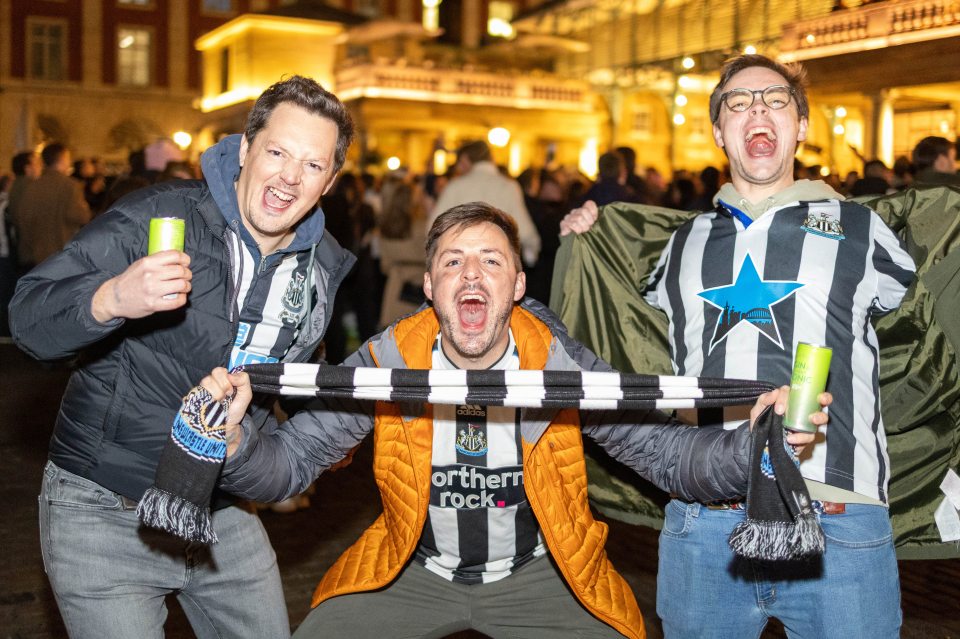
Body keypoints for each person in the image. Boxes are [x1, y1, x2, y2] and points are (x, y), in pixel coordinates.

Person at [203, 202, 822, 639]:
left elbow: (667, 455)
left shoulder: (559, 364)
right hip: (412, 570)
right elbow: (286, 467)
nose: (471, 274)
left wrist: (753, 445)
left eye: (491, 261)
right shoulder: (387, 361)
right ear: (428, 286)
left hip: (542, 573)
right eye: (452, 262)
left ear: (519, 284)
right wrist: (232, 442)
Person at [561, 54, 916, 638]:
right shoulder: (681, 244)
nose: (758, 110)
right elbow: (617, 312)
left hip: (841, 520)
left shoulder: (861, 227)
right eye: (739, 103)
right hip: (706, 525)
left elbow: (921, 325)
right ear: (720, 131)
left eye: (776, 100)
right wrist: (590, 236)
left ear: (800, 126)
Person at [8, 75, 356, 638]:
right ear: (245, 149)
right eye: (277, 152)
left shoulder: (320, 267)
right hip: (105, 511)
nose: (289, 178)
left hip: (221, 514)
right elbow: (28, 319)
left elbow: (291, 380)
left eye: (313, 165)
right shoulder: (159, 215)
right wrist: (113, 297)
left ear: (330, 180)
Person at [429, 140, 541, 266]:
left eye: (459, 162)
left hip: (460, 260)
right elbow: (524, 230)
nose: (458, 167)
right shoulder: (508, 186)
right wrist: (530, 256)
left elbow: (434, 227)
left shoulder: (455, 186)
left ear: (465, 159)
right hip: (497, 260)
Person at [14, 142, 92, 269]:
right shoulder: (70, 185)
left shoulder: (32, 186)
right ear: (63, 159)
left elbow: (23, 218)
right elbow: (81, 216)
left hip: (38, 253)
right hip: (63, 250)